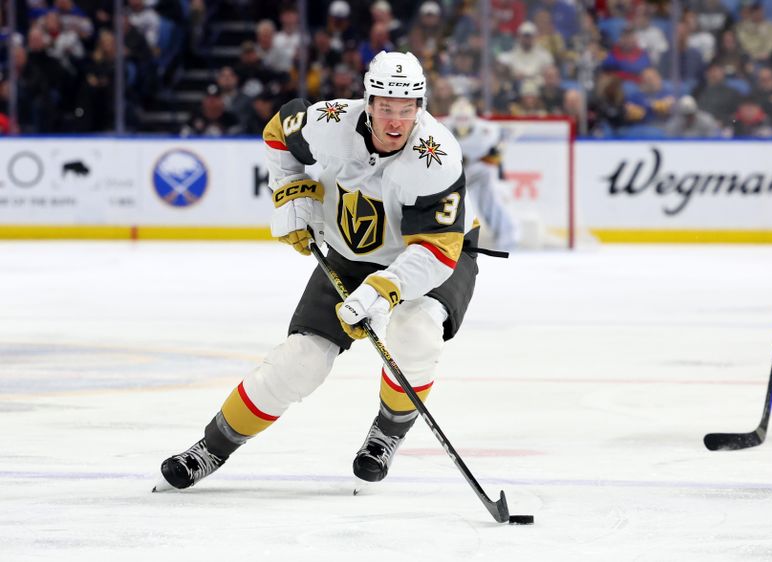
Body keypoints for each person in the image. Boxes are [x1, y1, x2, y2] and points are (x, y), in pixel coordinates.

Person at [154, 51, 479, 491]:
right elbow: (277, 134)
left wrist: (384, 290)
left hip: (436, 254)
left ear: (420, 106)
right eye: (386, 107)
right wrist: (289, 190)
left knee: (414, 333)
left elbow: (438, 249)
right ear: (368, 102)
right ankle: (211, 446)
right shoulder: (331, 123)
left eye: (407, 109)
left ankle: (386, 434)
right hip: (351, 252)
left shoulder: (435, 157)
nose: (396, 121)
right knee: (301, 360)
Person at [442, 97, 520, 251]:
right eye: (459, 118)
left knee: (490, 201)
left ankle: (508, 237)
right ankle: (444, 239)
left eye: (465, 118)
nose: (462, 122)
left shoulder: (487, 130)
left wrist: (495, 153)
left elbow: (505, 138)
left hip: (479, 173)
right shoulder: (441, 128)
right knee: (447, 205)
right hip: (452, 175)